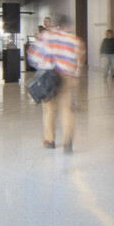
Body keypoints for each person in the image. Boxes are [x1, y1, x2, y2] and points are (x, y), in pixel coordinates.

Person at [37, 15, 83, 151]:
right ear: (68, 26)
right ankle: (68, 143)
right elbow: (79, 61)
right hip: (67, 78)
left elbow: (33, 56)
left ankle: (50, 141)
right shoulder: (74, 40)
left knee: (49, 111)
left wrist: (43, 64)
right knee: (67, 110)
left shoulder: (46, 37)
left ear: (57, 25)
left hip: (49, 77)